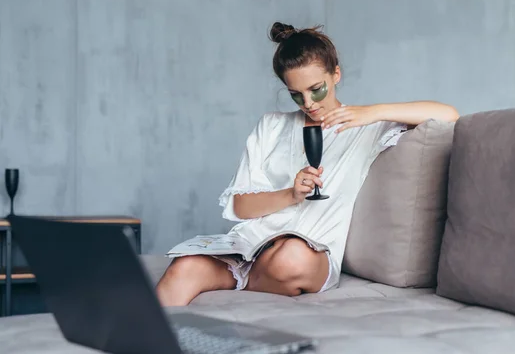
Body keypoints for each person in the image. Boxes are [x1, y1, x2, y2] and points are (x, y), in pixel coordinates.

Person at [156, 22, 459, 306]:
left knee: (291, 258)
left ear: (335, 75)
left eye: (317, 89)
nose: (309, 103)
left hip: (309, 255)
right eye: (296, 95)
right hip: (251, 247)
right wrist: (291, 194)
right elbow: (241, 207)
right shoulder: (271, 126)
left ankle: (246, 280)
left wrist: (373, 112)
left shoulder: (365, 128)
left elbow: (448, 115)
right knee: (183, 266)